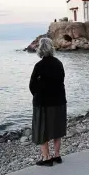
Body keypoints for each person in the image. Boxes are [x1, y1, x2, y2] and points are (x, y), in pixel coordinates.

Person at [29, 38, 67, 166]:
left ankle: (46, 157)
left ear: (40, 49)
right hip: (59, 100)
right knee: (57, 128)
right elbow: (61, 80)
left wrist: (37, 94)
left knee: (41, 130)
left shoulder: (39, 66)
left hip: (43, 103)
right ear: (51, 48)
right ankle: (57, 155)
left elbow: (32, 85)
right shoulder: (59, 63)